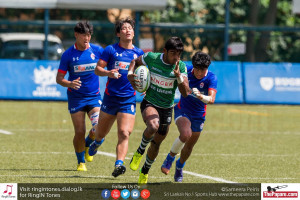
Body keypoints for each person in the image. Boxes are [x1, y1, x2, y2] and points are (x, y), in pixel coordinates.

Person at [127, 36, 190, 185]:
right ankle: (139, 151)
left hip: (167, 109)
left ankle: (145, 171)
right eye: (173, 53)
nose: (176, 57)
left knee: (156, 144)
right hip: (150, 102)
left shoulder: (180, 67)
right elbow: (135, 61)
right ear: (165, 51)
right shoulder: (152, 58)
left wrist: (179, 78)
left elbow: (186, 92)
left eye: (179, 54)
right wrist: (130, 74)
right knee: (153, 126)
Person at [88, 17, 144, 177]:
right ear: (118, 33)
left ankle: (119, 164)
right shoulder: (111, 50)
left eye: (130, 28)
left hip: (128, 100)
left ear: (133, 32)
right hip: (110, 99)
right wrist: (108, 73)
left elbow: (144, 74)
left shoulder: (139, 53)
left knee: (124, 133)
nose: (128, 30)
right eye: (124, 28)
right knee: (100, 134)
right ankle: (97, 142)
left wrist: (145, 87)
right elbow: (97, 69)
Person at [160, 51, 217, 182]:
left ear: (207, 68)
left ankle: (179, 166)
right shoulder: (185, 69)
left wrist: (201, 96)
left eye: (202, 70)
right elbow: (168, 74)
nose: (199, 73)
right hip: (182, 109)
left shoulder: (211, 78)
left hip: (199, 115)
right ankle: (170, 158)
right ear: (193, 66)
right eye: (197, 70)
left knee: (189, 146)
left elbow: (212, 99)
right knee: (185, 134)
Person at [56, 21, 104, 171]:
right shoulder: (68, 55)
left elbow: (111, 64)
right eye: (84, 35)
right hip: (76, 98)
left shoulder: (97, 51)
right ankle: (81, 161)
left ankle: (88, 143)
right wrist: (69, 83)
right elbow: (59, 79)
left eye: (89, 35)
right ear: (76, 35)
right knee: (79, 131)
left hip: (94, 97)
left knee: (99, 130)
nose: (87, 38)